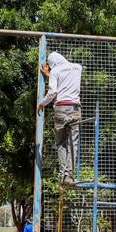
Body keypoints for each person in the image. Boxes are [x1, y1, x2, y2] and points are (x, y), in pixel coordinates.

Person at [37, 52, 83, 187]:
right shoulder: (78, 67)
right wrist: (50, 75)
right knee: (73, 142)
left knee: (61, 143)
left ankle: (63, 176)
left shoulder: (55, 71)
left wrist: (42, 104)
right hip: (75, 108)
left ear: (52, 64)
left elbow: (53, 92)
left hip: (61, 109)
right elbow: (67, 79)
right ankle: (69, 175)